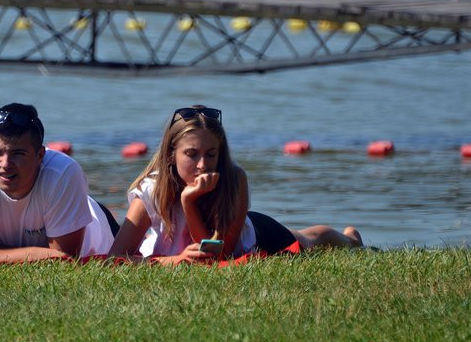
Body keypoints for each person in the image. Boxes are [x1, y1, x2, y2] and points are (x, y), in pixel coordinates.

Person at [109, 105, 363, 265]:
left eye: (211, 154)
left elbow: (219, 255)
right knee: (308, 236)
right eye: (191, 154)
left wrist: (189, 201)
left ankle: (351, 239)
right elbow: (115, 257)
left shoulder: (234, 179)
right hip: (216, 232)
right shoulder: (151, 190)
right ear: (171, 155)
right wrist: (175, 261)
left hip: (253, 234)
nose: (201, 164)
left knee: (311, 240)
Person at [0, 103, 117, 266]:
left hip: (99, 223)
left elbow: (64, 260)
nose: (5, 164)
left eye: (18, 153)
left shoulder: (64, 173)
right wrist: (36, 254)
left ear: (40, 156)